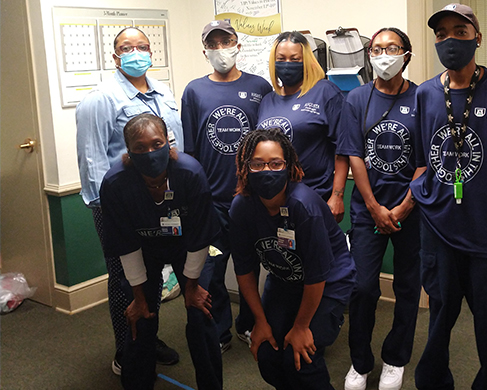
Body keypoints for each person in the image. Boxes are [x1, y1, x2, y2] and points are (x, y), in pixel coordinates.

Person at [410, 4, 487, 390]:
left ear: (478, 37)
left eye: (460, 32)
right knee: (440, 316)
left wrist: (484, 192)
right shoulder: (426, 94)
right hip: (438, 231)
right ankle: (433, 381)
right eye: (442, 33)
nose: (450, 40)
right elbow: (422, 160)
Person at [76, 26, 180, 374]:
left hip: (160, 201)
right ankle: (127, 349)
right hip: (118, 207)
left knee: (152, 273)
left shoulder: (161, 92)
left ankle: (148, 338)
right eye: (126, 47)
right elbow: (91, 160)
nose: (136, 52)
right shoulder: (100, 99)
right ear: (115, 55)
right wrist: (106, 213)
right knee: (124, 278)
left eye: (143, 46)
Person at [100, 113, 222, 389]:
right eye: (140, 147)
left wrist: (192, 287)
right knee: (139, 316)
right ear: (128, 152)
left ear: (169, 142)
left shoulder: (190, 173)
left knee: (201, 312)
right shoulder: (116, 183)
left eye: (157, 143)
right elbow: (126, 244)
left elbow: (201, 235)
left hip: (189, 247)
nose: (150, 152)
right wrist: (139, 296)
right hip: (143, 250)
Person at [229, 129, 356, 390]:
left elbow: (317, 275)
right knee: (266, 353)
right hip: (285, 280)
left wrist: (301, 327)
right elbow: (244, 270)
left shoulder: (304, 206)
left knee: (301, 360)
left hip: (328, 283)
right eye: (257, 164)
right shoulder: (242, 207)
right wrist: (260, 322)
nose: (267, 170)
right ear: (246, 168)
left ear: (288, 166)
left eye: (275, 163)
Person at [338, 28, 423, 390]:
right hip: (366, 210)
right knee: (362, 287)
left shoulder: (425, 97)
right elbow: (353, 153)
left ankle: (395, 359)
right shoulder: (356, 98)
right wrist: (373, 206)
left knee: (407, 286)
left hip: (413, 210)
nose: (383, 55)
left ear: (406, 54)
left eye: (391, 48)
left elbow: (426, 161)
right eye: (376, 49)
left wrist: (404, 207)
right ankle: (360, 362)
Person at [181, 20, 273, 353]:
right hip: (212, 202)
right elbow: (189, 151)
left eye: (227, 41)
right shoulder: (194, 90)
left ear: (238, 44)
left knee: (252, 265)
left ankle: (248, 324)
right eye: (214, 43)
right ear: (205, 49)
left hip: (252, 198)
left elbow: (270, 141)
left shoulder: (260, 87)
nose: (222, 49)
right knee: (213, 269)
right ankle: (218, 330)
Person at [257, 31, 348, 223]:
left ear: (306, 61)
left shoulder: (325, 92)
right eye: (281, 58)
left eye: (294, 59)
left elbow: (343, 149)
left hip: (314, 197)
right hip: (272, 200)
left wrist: (338, 196)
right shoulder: (267, 101)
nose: (287, 64)